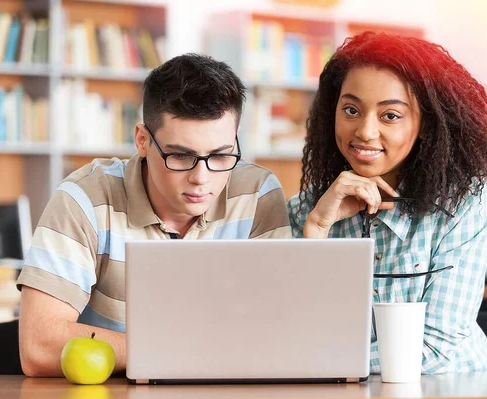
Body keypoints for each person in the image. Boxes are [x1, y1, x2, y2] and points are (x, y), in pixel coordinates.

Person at [18, 54, 292, 377]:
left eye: (220, 155)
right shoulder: (85, 199)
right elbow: (38, 345)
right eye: (180, 155)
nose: (201, 178)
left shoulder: (258, 195)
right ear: (143, 141)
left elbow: (279, 335)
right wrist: (173, 353)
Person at [288, 32, 487, 373]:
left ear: (425, 125)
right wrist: (316, 228)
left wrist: (326, 360)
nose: (365, 131)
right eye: (351, 110)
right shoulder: (307, 211)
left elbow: (435, 346)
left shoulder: (460, 205)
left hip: (457, 386)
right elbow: (289, 336)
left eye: (390, 116)